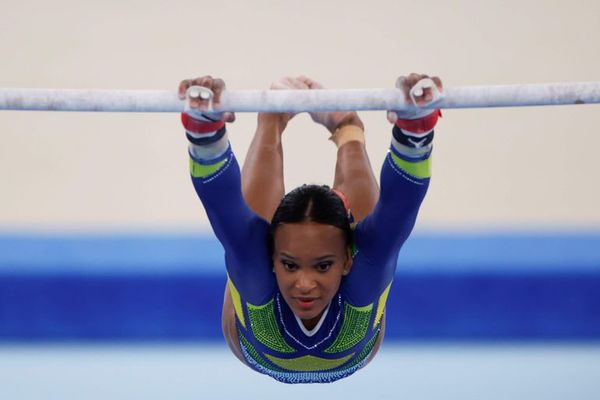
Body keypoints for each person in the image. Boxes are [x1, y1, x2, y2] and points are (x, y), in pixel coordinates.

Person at [178, 73, 443, 384]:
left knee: (375, 240)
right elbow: (223, 205)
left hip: (267, 331)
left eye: (322, 266)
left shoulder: (361, 263)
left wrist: (205, 135)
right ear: (274, 259)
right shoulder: (259, 261)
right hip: (278, 311)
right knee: (249, 240)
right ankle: (340, 127)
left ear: (346, 259)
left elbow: (400, 209)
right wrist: (414, 134)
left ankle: (291, 120)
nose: (304, 284)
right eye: (289, 264)